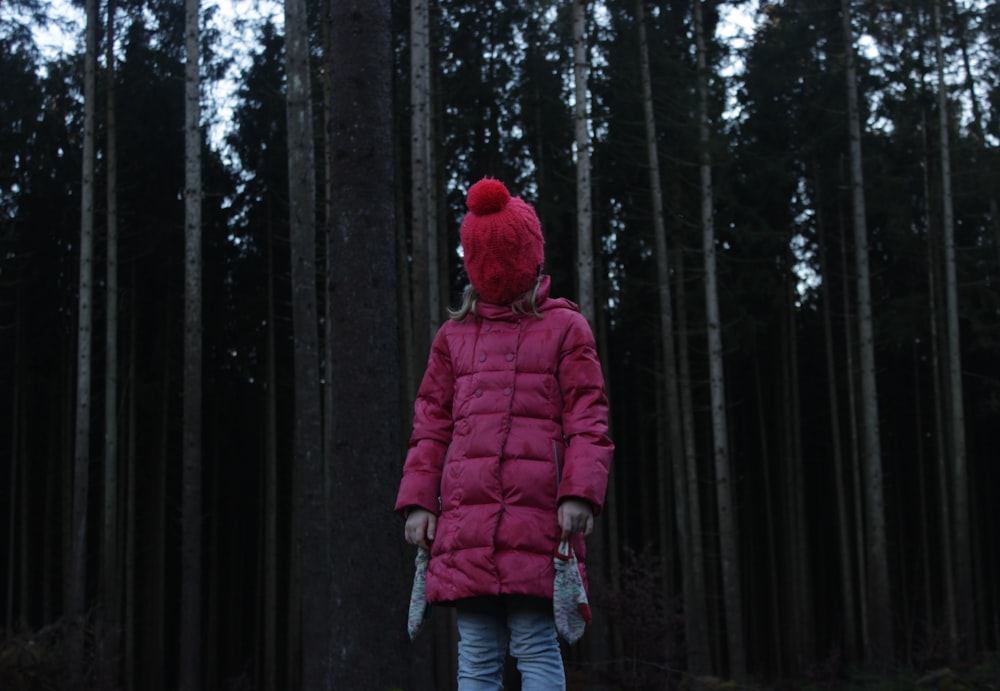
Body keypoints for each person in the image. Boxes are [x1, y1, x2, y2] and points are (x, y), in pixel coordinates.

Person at [395, 176, 614, 690]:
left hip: (538, 521)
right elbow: (430, 424)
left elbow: (588, 416)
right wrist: (420, 502)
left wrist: (580, 491)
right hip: (466, 526)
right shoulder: (453, 338)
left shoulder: (565, 329)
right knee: (476, 655)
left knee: (535, 645)